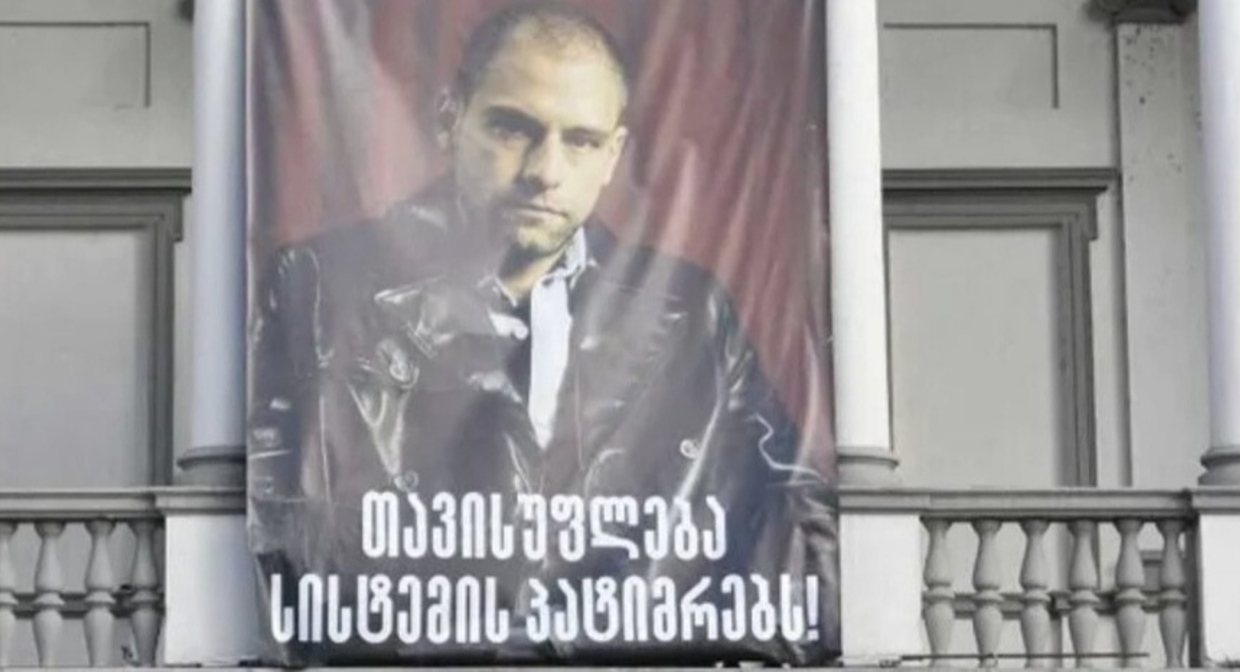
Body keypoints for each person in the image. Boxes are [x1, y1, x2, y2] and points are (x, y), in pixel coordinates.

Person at [248, 0, 835, 664]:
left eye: (580, 140)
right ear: (450, 121)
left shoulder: (689, 309)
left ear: (614, 155)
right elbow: (286, 523)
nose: (545, 172)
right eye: (512, 129)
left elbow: (795, 506)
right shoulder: (324, 285)